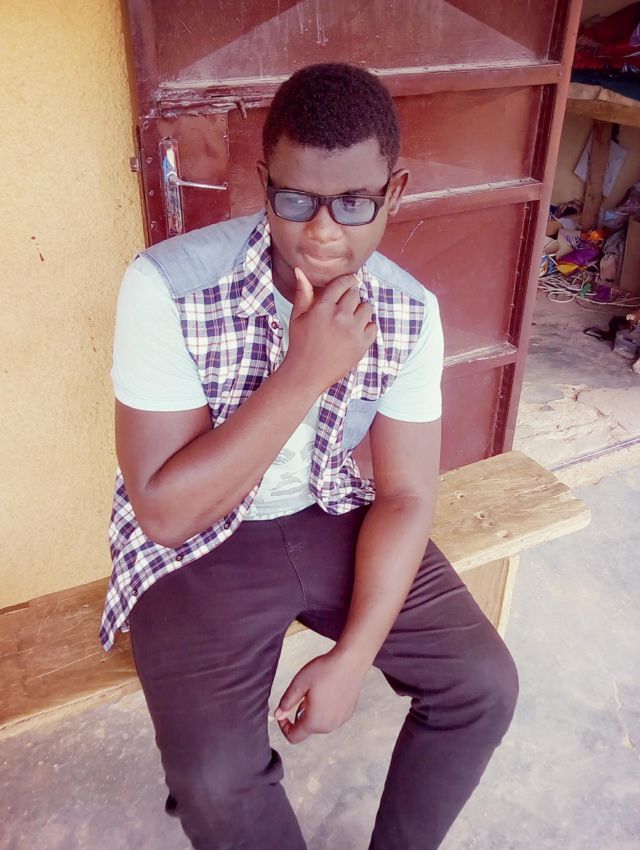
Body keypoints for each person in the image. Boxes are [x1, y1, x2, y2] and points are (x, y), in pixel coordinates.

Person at [101, 62, 518, 850]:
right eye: (296, 200)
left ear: (395, 193)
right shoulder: (167, 288)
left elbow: (405, 496)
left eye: (354, 203)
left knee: (484, 684)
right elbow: (164, 513)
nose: (323, 232)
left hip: (328, 510)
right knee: (215, 782)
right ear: (264, 184)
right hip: (199, 543)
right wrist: (305, 371)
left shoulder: (407, 310)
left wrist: (353, 659)